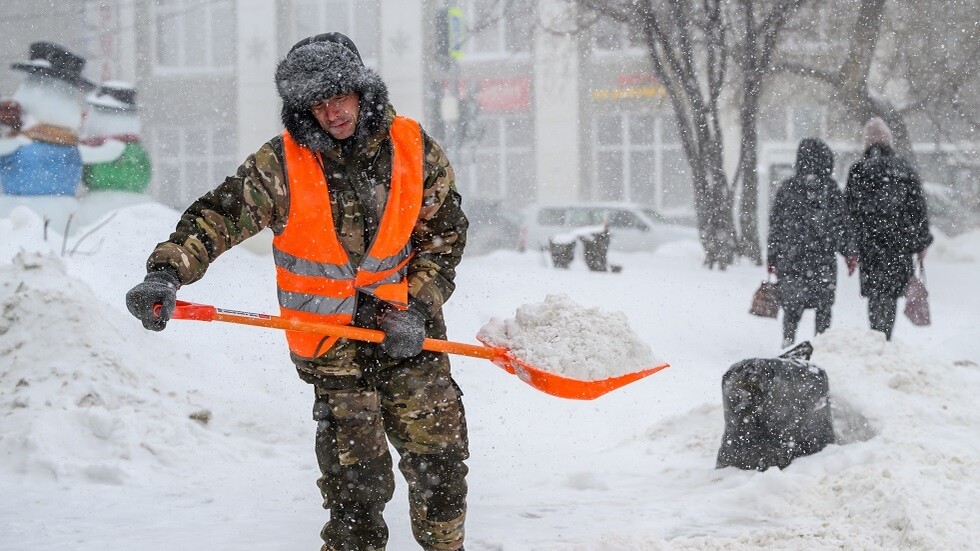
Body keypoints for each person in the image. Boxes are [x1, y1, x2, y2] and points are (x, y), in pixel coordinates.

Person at [124, 33, 470, 551]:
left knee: (440, 472)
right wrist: (166, 273)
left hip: (409, 342)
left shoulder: (413, 147)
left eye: (341, 98)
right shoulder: (281, 164)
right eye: (320, 103)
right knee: (356, 495)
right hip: (333, 352)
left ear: (362, 91)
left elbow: (445, 236)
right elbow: (218, 216)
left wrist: (417, 307)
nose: (334, 113)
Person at [844, 117, 932, 340]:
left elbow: (849, 213)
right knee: (890, 295)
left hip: (870, 248)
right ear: (889, 142)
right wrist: (921, 243)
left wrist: (851, 246)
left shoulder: (858, 171)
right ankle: (885, 337)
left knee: (876, 295)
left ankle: (877, 335)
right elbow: (918, 210)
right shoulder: (904, 170)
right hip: (897, 248)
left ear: (866, 143)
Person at [767, 138, 851, 348]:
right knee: (823, 309)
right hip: (822, 260)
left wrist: (773, 256)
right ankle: (821, 347)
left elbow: (776, 226)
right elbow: (842, 225)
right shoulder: (831, 190)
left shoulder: (787, 189)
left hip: (792, 260)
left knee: (792, 309)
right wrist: (849, 251)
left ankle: (788, 344)